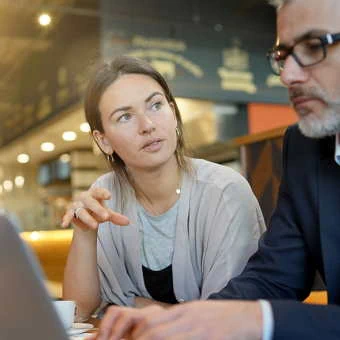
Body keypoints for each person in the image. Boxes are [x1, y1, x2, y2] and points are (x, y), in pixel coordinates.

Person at [92, 0, 340, 339]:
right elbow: (276, 275)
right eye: (283, 56)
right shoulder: (305, 147)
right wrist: (196, 318)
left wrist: (256, 320)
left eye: (314, 47)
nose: (288, 75)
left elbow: (261, 312)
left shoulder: (221, 188)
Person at [61, 56, 265, 322]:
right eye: (125, 117)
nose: (147, 125)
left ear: (173, 113)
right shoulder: (104, 196)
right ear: (104, 141)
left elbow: (223, 318)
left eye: (156, 105)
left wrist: (130, 305)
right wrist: (85, 234)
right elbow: (78, 313)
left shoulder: (223, 192)